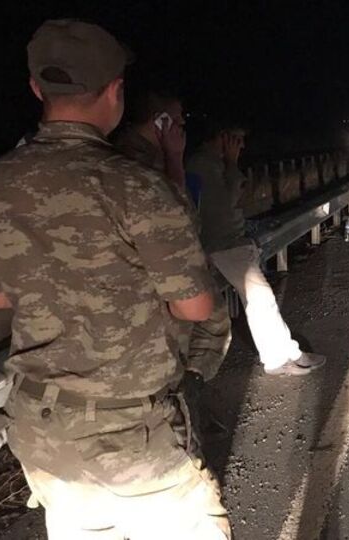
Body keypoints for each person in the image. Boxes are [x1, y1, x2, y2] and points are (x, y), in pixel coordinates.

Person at [0, 20, 230, 537]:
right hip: (129, 435)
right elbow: (195, 308)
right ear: (116, 90)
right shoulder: (137, 186)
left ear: (36, 88)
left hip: (41, 429)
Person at [113, 88, 233, 417]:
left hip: (155, 271)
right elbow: (183, 217)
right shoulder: (139, 161)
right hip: (151, 277)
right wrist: (175, 160)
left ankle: (184, 399)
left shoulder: (137, 153)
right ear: (160, 121)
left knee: (210, 323)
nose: (183, 127)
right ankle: (179, 408)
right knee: (200, 326)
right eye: (178, 120)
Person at [187, 123, 326, 376]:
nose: (241, 146)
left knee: (259, 299)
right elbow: (224, 208)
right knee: (261, 298)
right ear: (222, 135)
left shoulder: (210, 163)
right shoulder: (203, 165)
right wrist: (232, 164)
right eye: (237, 140)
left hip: (229, 242)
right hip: (224, 244)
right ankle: (283, 357)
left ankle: (285, 355)